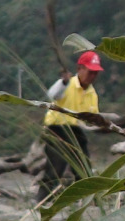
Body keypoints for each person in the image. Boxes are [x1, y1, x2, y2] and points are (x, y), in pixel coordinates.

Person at [38, 50, 103, 200]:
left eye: (95, 73)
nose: (93, 76)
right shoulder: (66, 84)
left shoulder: (92, 93)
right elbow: (52, 95)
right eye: (90, 72)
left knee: (84, 169)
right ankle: (41, 201)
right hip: (57, 130)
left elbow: (92, 119)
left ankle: (86, 201)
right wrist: (64, 82)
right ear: (80, 69)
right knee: (54, 169)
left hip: (77, 131)